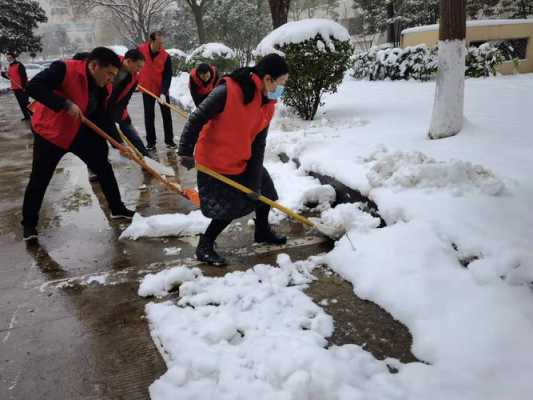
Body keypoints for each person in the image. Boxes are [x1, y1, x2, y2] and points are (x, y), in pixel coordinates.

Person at [178, 54, 289, 266]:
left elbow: (258, 144)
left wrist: (254, 182)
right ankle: (205, 245)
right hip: (215, 161)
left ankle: (262, 232)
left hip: (242, 157)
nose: (282, 88)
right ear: (268, 79)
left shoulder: (268, 104)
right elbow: (196, 118)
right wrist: (185, 151)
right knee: (228, 208)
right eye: (281, 83)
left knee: (265, 193)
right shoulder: (229, 91)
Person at [21, 47, 135, 241]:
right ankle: (29, 224)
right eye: (108, 74)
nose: (110, 79)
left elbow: (103, 116)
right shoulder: (64, 69)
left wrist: (118, 143)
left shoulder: (103, 86)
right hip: (52, 132)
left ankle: (117, 208)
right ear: (93, 65)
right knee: (40, 178)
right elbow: (33, 86)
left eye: (113, 76)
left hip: (80, 132)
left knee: (103, 167)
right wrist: (64, 104)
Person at [107, 48, 150, 157]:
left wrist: (119, 113)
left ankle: (145, 157)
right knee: (102, 136)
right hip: (101, 108)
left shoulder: (134, 78)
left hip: (118, 107)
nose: (139, 70)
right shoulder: (111, 65)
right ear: (129, 61)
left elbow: (126, 98)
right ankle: (94, 166)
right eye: (138, 66)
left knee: (129, 129)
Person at [137, 31, 175, 150]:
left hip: (160, 90)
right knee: (149, 115)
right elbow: (132, 64)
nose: (161, 46)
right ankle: (151, 142)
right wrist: (134, 80)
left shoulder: (165, 56)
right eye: (159, 43)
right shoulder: (140, 51)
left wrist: (164, 92)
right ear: (151, 41)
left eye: (162, 43)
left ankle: (169, 141)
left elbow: (168, 75)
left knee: (166, 115)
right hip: (147, 89)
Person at [1, 52, 31, 121]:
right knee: (21, 103)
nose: (9, 59)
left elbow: (24, 77)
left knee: (26, 103)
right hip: (15, 88)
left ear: (14, 58)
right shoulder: (10, 66)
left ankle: (34, 114)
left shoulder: (19, 65)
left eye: (10, 58)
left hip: (22, 88)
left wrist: (24, 86)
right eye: (8, 58)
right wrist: (3, 74)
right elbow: (9, 77)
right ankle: (26, 116)